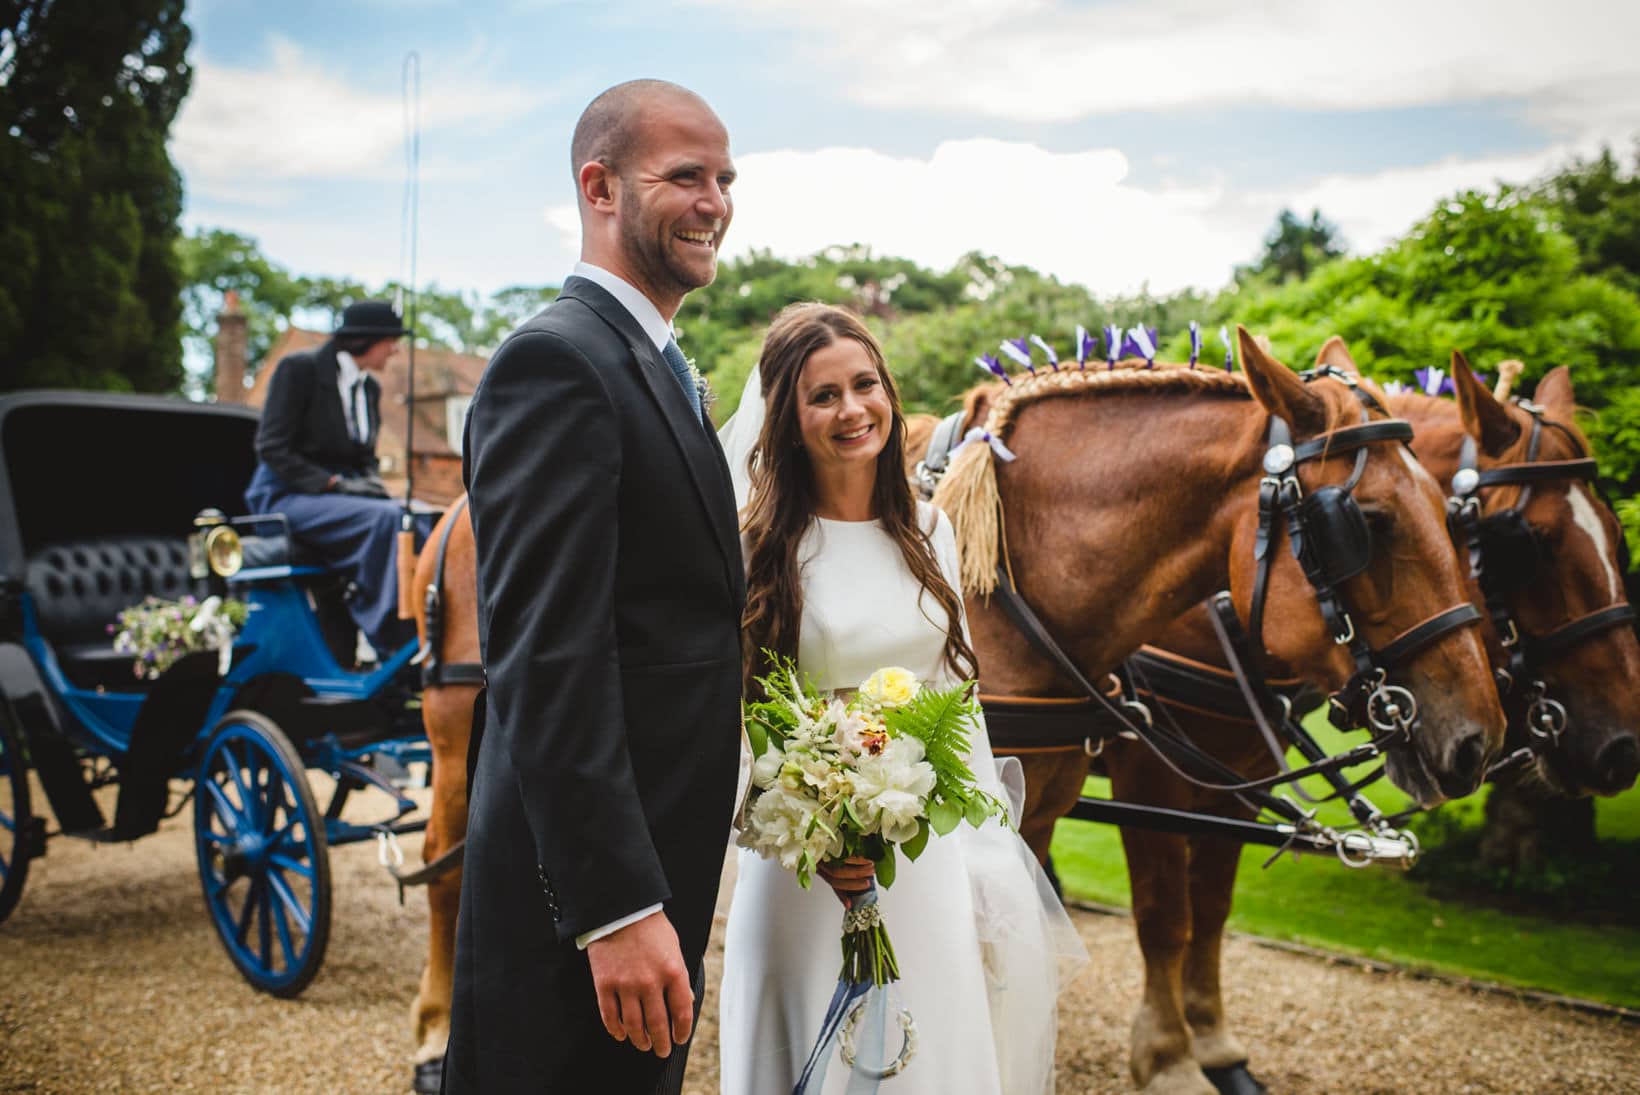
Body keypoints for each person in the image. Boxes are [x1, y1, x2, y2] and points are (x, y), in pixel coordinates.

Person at [443, 80, 743, 1094]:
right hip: (574, 902)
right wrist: (612, 908)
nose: (715, 202)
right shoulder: (555, 362)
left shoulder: (659, 367)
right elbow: (545, 656)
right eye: (685, 177)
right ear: (599, 186)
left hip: (662, 858)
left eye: (725, 179)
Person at [716, 303, 1085, 1094]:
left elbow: (959, 700)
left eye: (865, 384)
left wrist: (986, 859)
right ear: (786, 417)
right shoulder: (753, 547)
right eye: (823, 396)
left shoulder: (928, 529)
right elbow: (729, 722)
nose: (853, 410)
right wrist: (802, 824)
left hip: (923, 860)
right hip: (799, 869)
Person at [245, 299, 425, 655]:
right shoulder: (300, 370)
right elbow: (272, 447)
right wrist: (333, 484)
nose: (394, 351)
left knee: (419, 515)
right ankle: (392, 632)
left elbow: (364, 456)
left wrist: (370, 484)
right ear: (368, 341)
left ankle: (425, 614)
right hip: (285, 496)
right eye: (391, 340)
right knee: (387, 520)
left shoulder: (368, 389)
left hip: (341, 499)